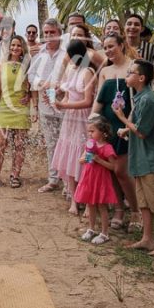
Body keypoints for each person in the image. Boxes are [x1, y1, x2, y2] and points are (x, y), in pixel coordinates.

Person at [114, 60, 154, 257]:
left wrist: (122, 118)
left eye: (130, 72)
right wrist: (127, 129)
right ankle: (147, 238)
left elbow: (142, 132)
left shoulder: (148, 100)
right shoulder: (141, 97)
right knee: (143, 201)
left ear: (141, 78)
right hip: (142, 158)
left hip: (153, 159)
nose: (127, 75)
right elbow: (141, 126)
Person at [92, 33, 140, 230]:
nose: (108, 50)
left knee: (121, 170)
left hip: (125, 124)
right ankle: (119, 208)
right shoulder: (105, 71)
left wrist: (128, 124)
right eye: (105, 47)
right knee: (109, 168)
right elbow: (99, 100)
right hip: (107, 124)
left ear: (122, 45)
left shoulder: (134, 67)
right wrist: (92, 121)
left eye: (112, 46)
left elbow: (139, 99)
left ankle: (136, 211)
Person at [52, 40, 97, 214]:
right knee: (69, 156)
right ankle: (74, 199)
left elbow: (88, 101)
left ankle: (87, 201)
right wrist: (60, 103)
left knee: (83, 157)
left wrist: (66, 105)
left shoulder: (88, 71)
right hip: (70, 118)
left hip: (83, 118)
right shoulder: (72, 70)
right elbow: (67, 95)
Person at [0, 35, 32, 188]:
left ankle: (15, 175)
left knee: (19, 144)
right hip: (4, 108)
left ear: (22, 48)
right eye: (13, 45)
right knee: (0, 144)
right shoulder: (1, 66)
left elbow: (33, 86)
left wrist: (29, 96)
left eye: (18, 45)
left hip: (20, 108)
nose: (15, 48)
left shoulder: (27, 66)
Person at [28, 18, 66, 192]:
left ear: (59, 33)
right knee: (51, 143)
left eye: (53, 32)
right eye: (46, 33)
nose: (49, 36)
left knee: (66, 143)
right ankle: (53, 178)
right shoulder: (39, 54)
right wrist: (42, 83)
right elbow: (30, 76)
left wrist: (59, 88)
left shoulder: (67, 53)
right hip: (45, 106)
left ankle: (68, 182)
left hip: (65, 105)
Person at [73, 117, 119, 245]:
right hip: (89, 178)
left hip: (101, 180)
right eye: (89, 131)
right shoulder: (89, 144)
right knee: (90, 205)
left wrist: (99, 160)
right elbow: (82, 159)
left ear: (103, 132)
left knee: (101, 206)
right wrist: (84, 158)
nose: (90, 134)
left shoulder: (107, 147)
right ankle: (91, 229)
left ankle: (105, 233)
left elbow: (113, 167)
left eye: (92, 131)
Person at [124, 14, 154, 86]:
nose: (132, 27)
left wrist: (142, 63)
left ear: (142, 29)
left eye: (136, 24)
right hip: (120, 94)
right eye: (129, 24)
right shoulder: (118, 47)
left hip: (143, 95)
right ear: (124, 27)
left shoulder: (152, 48)